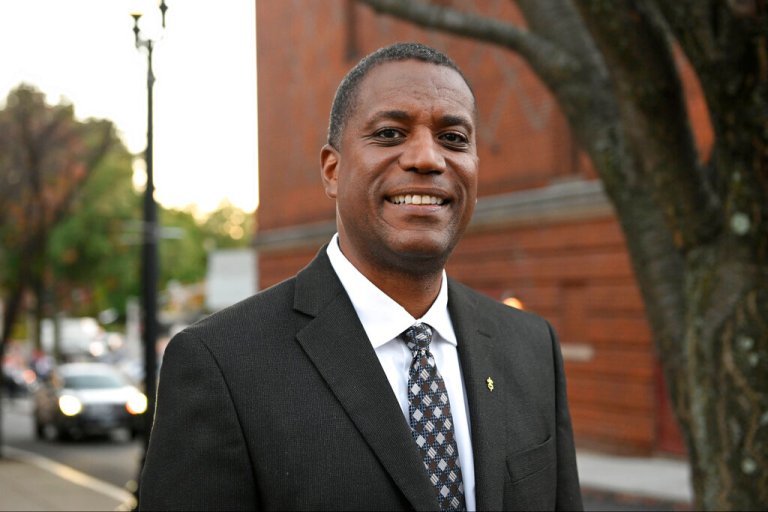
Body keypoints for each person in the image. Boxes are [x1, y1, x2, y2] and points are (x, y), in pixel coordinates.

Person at [139, 42, 582, 511]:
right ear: (333, 171)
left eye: (453, 138)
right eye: (390, 133)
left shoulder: (532, 346)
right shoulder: (221, 365)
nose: (428, 158)